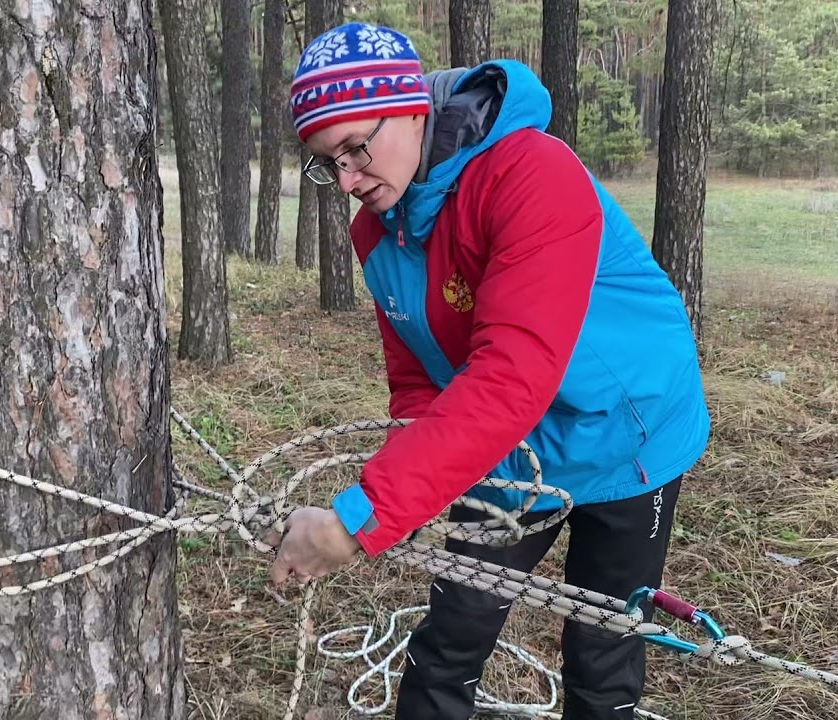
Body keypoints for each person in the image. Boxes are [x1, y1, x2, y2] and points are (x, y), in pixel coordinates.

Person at [267, 21, 710, 720]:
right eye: (330, 163)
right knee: (452, 635)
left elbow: (513, 373)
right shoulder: (378, 230)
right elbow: (418, 377)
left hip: (632, 434)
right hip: (508, 448)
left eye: (357, 148)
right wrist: (410, 488)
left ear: (413, 105)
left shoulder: (531, 172)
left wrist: (359, 519)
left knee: (602, 652)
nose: (349, 180)